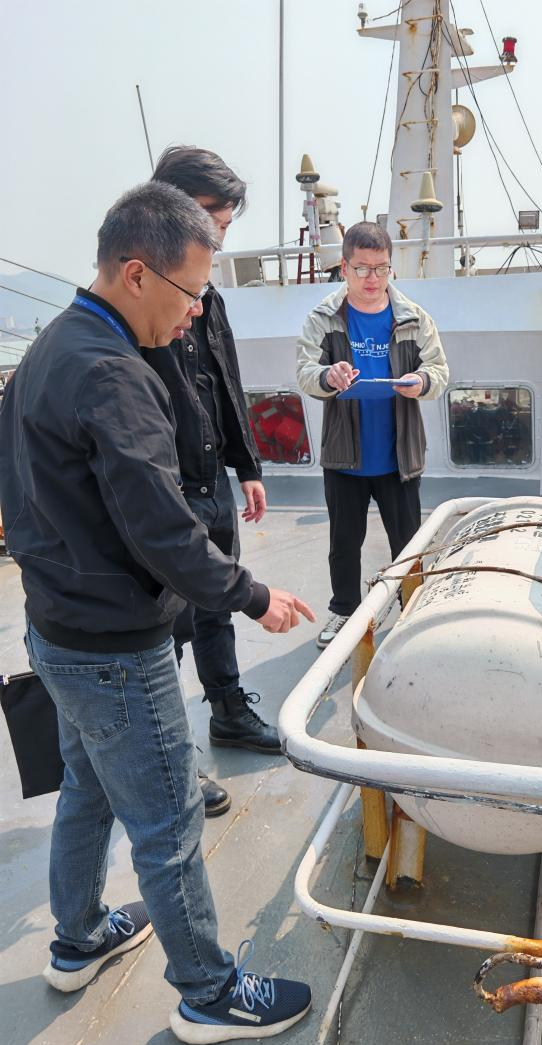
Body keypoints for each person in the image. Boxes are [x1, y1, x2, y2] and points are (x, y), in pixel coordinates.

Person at [0, 182, 314, 1042]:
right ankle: (209, 992)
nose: (196, 312)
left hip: (54, 629)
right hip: (115, 650)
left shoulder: (48, 347)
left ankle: (76, 938)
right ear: (136, 274)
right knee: (167, 823)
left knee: (87, 790)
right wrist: (253, 595)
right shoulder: (114, 376)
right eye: (190, 292)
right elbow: (164, 531)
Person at [147, 148, 276, 824]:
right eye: (210, 220)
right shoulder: (143, 298)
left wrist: (246, 465)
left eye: (223, 225)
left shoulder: (210, 297)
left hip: (210, 480)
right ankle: (172, 754)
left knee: (217, 603)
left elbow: (225, 382)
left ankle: (228, 710)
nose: (218, 237)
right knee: (165, 625)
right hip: (163, 487)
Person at [296, 221, 449, 647]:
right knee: (344, 543)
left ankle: (412, 612)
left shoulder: (413, 317)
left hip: (399, 456)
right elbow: (305, 372)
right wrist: (328, 376)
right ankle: (343, 611)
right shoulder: (323, 319)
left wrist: (422, 381)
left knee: (409, 543)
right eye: (362, 268)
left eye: (381, 268)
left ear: (390, 267)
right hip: (345, 456)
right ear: (344, 268)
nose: (372, 278)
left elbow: (439, 371)